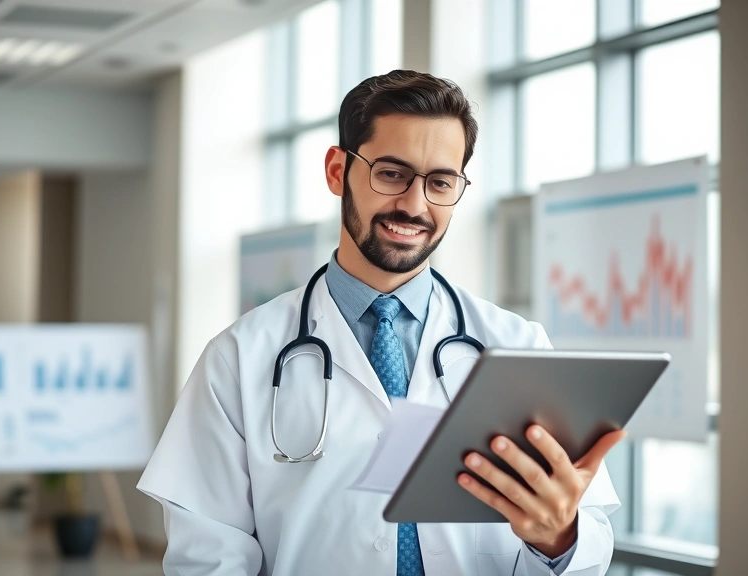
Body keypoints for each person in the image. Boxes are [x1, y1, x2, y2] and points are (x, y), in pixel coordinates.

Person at [138, 70, 625, 575]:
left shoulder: (518, 346)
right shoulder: (239, 358)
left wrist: (557, 538)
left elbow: (584, 543)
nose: (415, 205)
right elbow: (209, 557)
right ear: (336, 170)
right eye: (391, 174)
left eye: (440, 182)